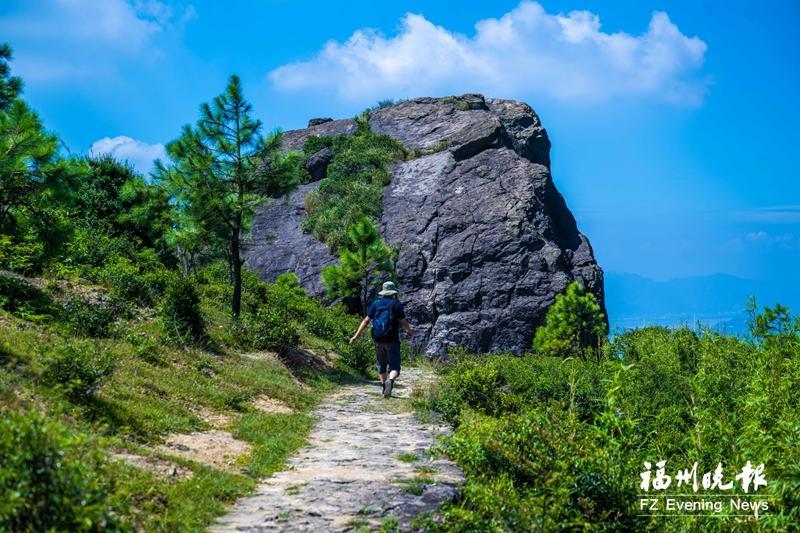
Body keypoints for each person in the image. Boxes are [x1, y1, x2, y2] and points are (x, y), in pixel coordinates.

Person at [349, 281, 413, 398]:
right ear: (393, 293)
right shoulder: (396, 304)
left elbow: (366, 321)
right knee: (394, 366)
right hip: (392, 339)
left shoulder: (376, 304)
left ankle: (384, 387)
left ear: (383, 292)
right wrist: (409, 331)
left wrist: (355, 336)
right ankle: (391, 381)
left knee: (381, 365)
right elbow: (403, 321)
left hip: (378, 339)